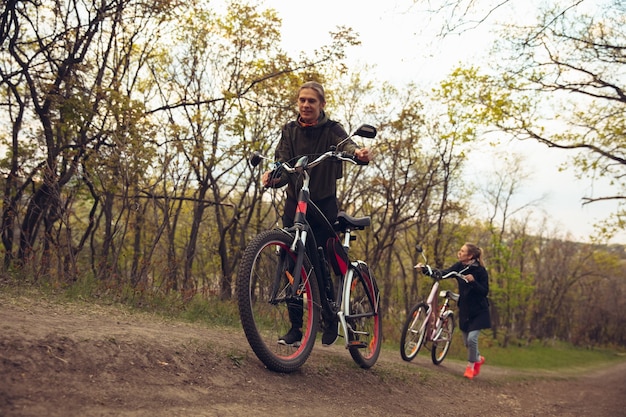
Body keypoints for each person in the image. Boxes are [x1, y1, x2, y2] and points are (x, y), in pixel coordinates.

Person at [261, 81, 371, 347]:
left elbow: (346, 145)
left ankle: (330, 318)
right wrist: (273, 176)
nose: (306, 105)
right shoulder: (288, 130)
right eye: (302, 100)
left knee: (322, 261)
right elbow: (281, 162)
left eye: (311, 101)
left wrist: (357, 153)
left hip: (322, 205)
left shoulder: (331, 128)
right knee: (292, 266)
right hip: (294, 207)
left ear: (321, 104)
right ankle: (296, 328)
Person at [418, 243, 491, 380]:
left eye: (462, 251)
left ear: (470, 256)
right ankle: (478, 359)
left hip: (479, 311)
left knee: (472, 339)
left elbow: (484, 291)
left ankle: (470, 367)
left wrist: (473, 281)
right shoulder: (459, 266)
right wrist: (425, 270)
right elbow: (444, 273)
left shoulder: (481, 271)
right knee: (467, 343)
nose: (459, 253)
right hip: (465, 310)